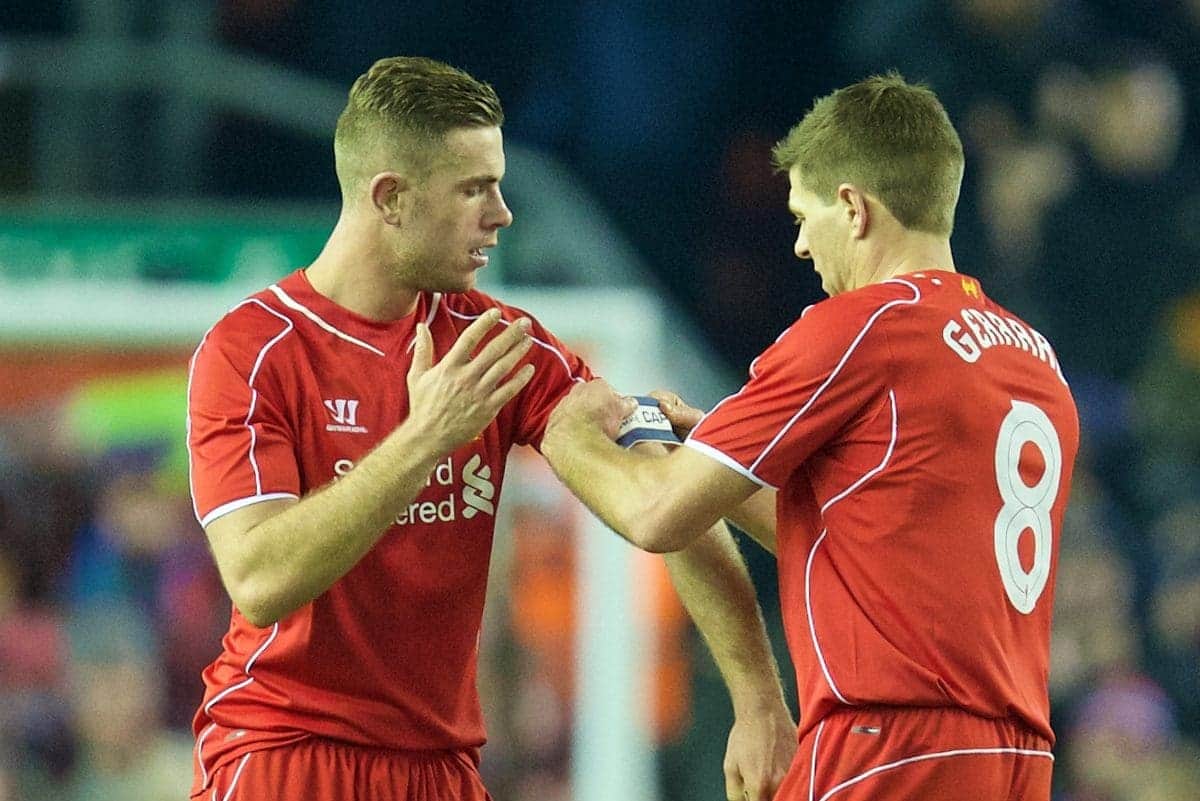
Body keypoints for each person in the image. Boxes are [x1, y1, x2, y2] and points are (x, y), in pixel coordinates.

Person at [185, 56, 795, 801]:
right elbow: (259, 578)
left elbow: (665, 496)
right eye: (475, 188)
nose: (502, 213)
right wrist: (424, 437)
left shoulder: (503, 346)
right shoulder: (251, 350)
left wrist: (758, 695)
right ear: (391, 199)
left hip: (439, 769)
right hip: (285, 752)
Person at [543, 73, 1080, 801]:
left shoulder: (860, 328)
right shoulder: (1034, 359)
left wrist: (563, 431)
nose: (797, 244)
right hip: (1014, 757)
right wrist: (723, 466)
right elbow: (873, 552)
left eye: (804, 214)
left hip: (888, 747)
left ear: (854, 208)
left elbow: (656, 513)